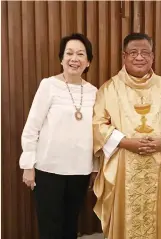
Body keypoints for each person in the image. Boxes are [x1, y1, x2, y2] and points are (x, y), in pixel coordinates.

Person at [92, 33, 161, 239]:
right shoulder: (109, 88)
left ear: (152, 57)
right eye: (133, 52)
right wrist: (126, 142)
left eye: (145, 52)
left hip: (158, 164)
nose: (139, 57)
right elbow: (98, 125)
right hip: (122, 165)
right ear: (124, 56)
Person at [19, 33, 98, 239]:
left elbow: (98, 132)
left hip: (80, 171)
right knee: (50, 228)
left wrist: (95, 167)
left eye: (81, 54)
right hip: (48, 169)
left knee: (71, 225)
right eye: (69, 53)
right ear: (61, 59)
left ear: (88, 61)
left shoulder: (94, 92)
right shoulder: (48, 85)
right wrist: (28, 165)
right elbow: (32, 126)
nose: (74, 58)